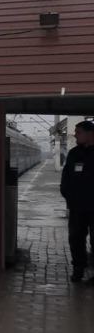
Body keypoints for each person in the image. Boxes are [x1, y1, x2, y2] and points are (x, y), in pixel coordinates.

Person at [61, 120, 94, 282]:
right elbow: (66, 177)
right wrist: (68, 195)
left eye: (78, 132)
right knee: (76, 239)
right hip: (77, 207)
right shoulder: (74, 153)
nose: (75, 135)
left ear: (90, 134)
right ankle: (78, 269)